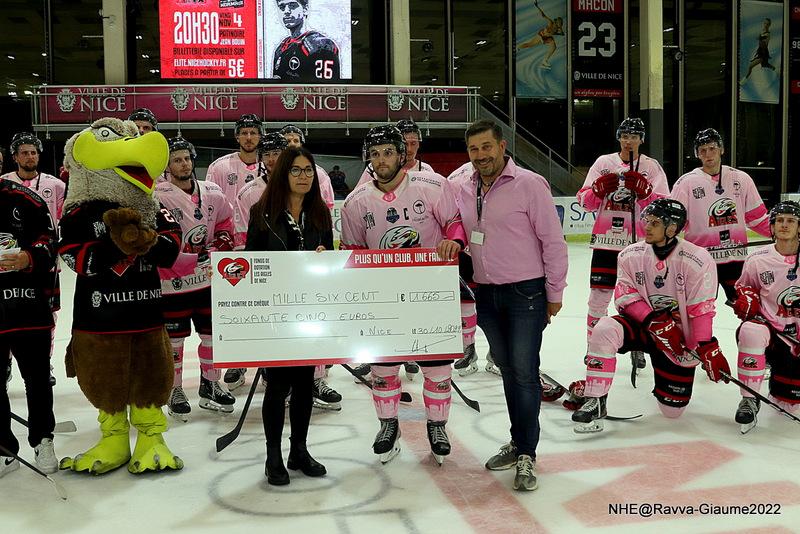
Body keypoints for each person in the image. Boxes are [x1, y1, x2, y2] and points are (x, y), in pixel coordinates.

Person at [451, 119, 567, 491]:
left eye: (487, 147)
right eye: (474, 149)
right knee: (507, 368)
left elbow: (553, 241)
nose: (481, 155)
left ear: (502, 146)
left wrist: (554, 292)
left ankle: (527, 452)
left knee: (523, 370)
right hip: (486, 293)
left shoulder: (530, 184)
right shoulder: (462, 186)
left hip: (526, 294)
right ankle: (518, 442)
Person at [340, 125, 465, 466]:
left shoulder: (433, 185)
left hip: (431, 294)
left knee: (437, 368)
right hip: (384, 298)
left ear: (401, 154)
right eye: (375, 154)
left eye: (388, 152)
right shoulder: (355, 202)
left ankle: (437, 426)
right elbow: (351, 249)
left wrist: (454, 240)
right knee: (384, 368)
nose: (382, 160)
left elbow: (455, 223)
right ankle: (388, 424)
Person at [571, 199, 731, 433]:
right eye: (647, 221)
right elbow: (624, 295)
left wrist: (705, 347)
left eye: (655, 223)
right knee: (605, 329)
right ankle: (596, 398)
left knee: (672, 411)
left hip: (677, 340)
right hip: (643, 327)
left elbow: (701, 310)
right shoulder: (630, 255)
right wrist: (652, 320)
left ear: (673, 228)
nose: (647, 226)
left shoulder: (698, 260)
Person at [244, 146, 332, 485]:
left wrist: (325, 257)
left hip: (310, 312)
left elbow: (331, 263)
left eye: (308, 170)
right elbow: (250, 264)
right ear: (283, 173)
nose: (303, 176)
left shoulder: (321, 213)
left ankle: (299, 451)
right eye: (296, 170)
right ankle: (273, 456)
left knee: (304, 385)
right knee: (278, 386)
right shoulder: (261, 211)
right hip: (276, 315)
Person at [576, 118, 669, 374]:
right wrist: (596, 191)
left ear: (641, 139)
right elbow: (584, 201)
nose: (629, 140)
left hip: (641, 244)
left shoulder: (651, 166)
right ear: (619, 137)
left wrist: (646, 193)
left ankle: (637, 345)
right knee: (598, 298)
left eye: (634, 136)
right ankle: (592, 345)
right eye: (625, 135)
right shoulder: (604, 163)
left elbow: (664, 204)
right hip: (607, 242)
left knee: (639, 298)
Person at [155, 136, 236, 421]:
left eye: (187, 158)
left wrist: (224, 241)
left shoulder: (212, 192)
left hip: (208, 278)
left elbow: (227, 222)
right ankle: (174, 388)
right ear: (166, 165)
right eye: (177, 159)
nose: (184, 164)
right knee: (174, 342)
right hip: (172, 282)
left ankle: (210, 383)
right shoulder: (157, 195)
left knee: (211, 336)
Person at [671, 128, 771, 303]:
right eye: (703, 150)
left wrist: (789, 233)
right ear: (697, 154)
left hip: (736, 258)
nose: (708, 154)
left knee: (747, 307)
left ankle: (750, 332)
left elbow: (758, 218)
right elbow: (674, 222)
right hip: (701, 260)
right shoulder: (686, 183)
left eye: (712, 148)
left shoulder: (741, 179)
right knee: (699, 309)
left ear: (722, 150)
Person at [0, 179, 58, 477]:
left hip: (27, 305)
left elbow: (50, 240)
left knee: (36, 378)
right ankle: (4, 448)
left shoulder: (26, 199)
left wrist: (27, 258)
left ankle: (43, 439)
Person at [2, 132, 66, 387]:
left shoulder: (56, 185)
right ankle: (6, 362)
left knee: (49, 314)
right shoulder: (3, 182)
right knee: (6, 316)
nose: (30, 157)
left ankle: (45, 359)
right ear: (15, 156)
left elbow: (63, 223)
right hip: (7, 264)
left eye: (34, 152)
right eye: (24, 152)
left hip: (45, 263)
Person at [731, 201, 800, 434]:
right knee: (750, 330)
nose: (784, 224)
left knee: (789, 399)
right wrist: (746, 300)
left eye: (790, 220)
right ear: (771, 227)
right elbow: (744, 288)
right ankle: (750, 398)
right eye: (779, 220)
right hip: (775, 336)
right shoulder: (758, 259)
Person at [272, 0, 341, 82]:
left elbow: (325, 89)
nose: (286, 11)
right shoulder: (281, 47)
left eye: (292, 5)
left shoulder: (320, 44)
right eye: (282, 7)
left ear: (305, 9)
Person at [356, 119, 434, 187]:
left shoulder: (426, 170)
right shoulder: (375, 169)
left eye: (413, 143)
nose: (409, 149)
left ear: (418, 144)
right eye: (405, 144)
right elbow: (356, 198)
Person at [207, 114, 264, 202]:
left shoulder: (269, 166)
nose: (249, 138)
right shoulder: (218, 167)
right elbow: (210, 200)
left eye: (253, 133)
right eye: (244, 133)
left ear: (260, 136)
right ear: (237, 137)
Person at [279, 125, 335, 208]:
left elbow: (328, 203)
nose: (292, 144)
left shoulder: (317, 172)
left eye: (296, 141)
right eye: (288, 141)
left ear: (301, 144)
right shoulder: (273, 170)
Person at [517, 0, 565, 69]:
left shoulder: (558, 28)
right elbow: (543, 15)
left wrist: (560, 30)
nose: (559, 25)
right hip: (541, 35)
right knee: (530, 44)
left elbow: (562, 34)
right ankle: (518, 47)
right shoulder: (551, 22)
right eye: (559, 24)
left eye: (561, 24)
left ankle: (544, 61)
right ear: (556, 22)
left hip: (548, 37)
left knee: (554, 47)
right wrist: (537, 6)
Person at [740, 18, 776, 85]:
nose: (765, 25)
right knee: (765, 65)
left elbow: (761, 41)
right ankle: (776, 69)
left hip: (763, 53)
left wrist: (760, 38)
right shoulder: (762, 31)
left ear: (769, 25)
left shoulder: (767, 34)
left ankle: (744, 81)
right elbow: (759, 38)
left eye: (767, 24)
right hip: (760, 51)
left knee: (750, 66)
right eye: (765, 23)